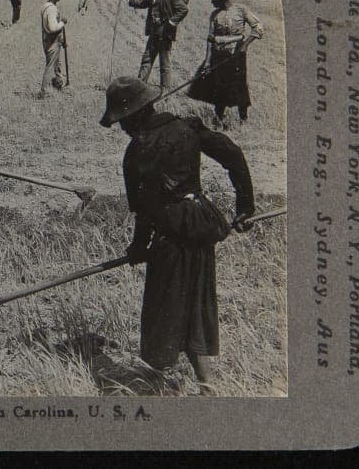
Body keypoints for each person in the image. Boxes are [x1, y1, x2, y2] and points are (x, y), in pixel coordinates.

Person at [100, 76, 254, 393]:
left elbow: (145, 211)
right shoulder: (189, 128)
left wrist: (138, 248)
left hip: (170, 236)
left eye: (122, 121)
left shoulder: (136, 153)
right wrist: (245, 205)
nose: (122, 128)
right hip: (200, 225)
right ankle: (206, 384)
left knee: (162, 307)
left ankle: (153, 383)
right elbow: (233, 155)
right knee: (197, 301)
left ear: (136, 115)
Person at [187, 0, 264, 125]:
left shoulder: (241, 10)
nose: (211, 1)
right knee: (219, 87)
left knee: (239, 86)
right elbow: (210, 40)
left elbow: (258, 28)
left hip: (236, 57)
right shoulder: (214, 15)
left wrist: (245, 45)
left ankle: (243, 120)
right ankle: (218, 119)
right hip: (219, 57)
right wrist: (208, 61)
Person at [119, 0, 188, 89]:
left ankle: (165, 90)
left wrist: (170, 23)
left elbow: (183, 9)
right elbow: (143, 3)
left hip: (165, 34)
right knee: (147, 59)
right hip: (154, 32)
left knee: (164, 63)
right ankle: (139, 88)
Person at [39, 0, 67, 97]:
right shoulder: (52, 9)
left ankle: (59, 85)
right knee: (50, 66)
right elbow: (52, 28)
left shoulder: (45, 5)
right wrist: (62, 23)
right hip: (52, 42)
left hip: (49, 41)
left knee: (57, 65)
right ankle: (44, 92)